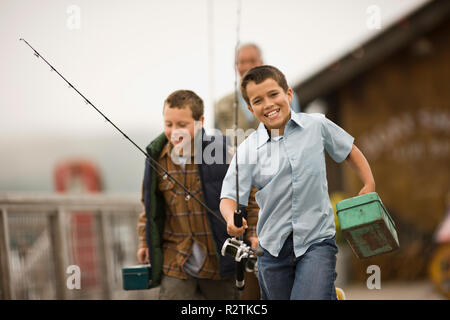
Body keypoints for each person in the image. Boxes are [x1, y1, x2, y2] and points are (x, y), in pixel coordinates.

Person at [220, 65, 376, 300]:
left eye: (274, 94)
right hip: (271, 249)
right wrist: (231, 218)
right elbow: (228, 197)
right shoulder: (248, 149)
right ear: (251, 109)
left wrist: (368, 183)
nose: (269, 104)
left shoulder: (317, 125)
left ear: (289, 94)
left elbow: (349, 150)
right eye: (258, 100)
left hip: (317, 240)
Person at [136, 90, 259, 299]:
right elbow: (148, 207)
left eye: (182, 125)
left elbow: (250, 195)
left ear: (200, 121)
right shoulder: (157, 159)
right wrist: (144, 242)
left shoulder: (222, 153)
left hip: (218, 259)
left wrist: (253, 233)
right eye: (168, 124)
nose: (174, 131)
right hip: (176, 259)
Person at [214, 43, 301, 135]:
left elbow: (296, 129)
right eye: (242, 62)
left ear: (262, 62)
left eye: (252, 61)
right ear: (235, 66)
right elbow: (218, 139)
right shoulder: (221, 105)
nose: (247, 66)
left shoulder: (285, 95)